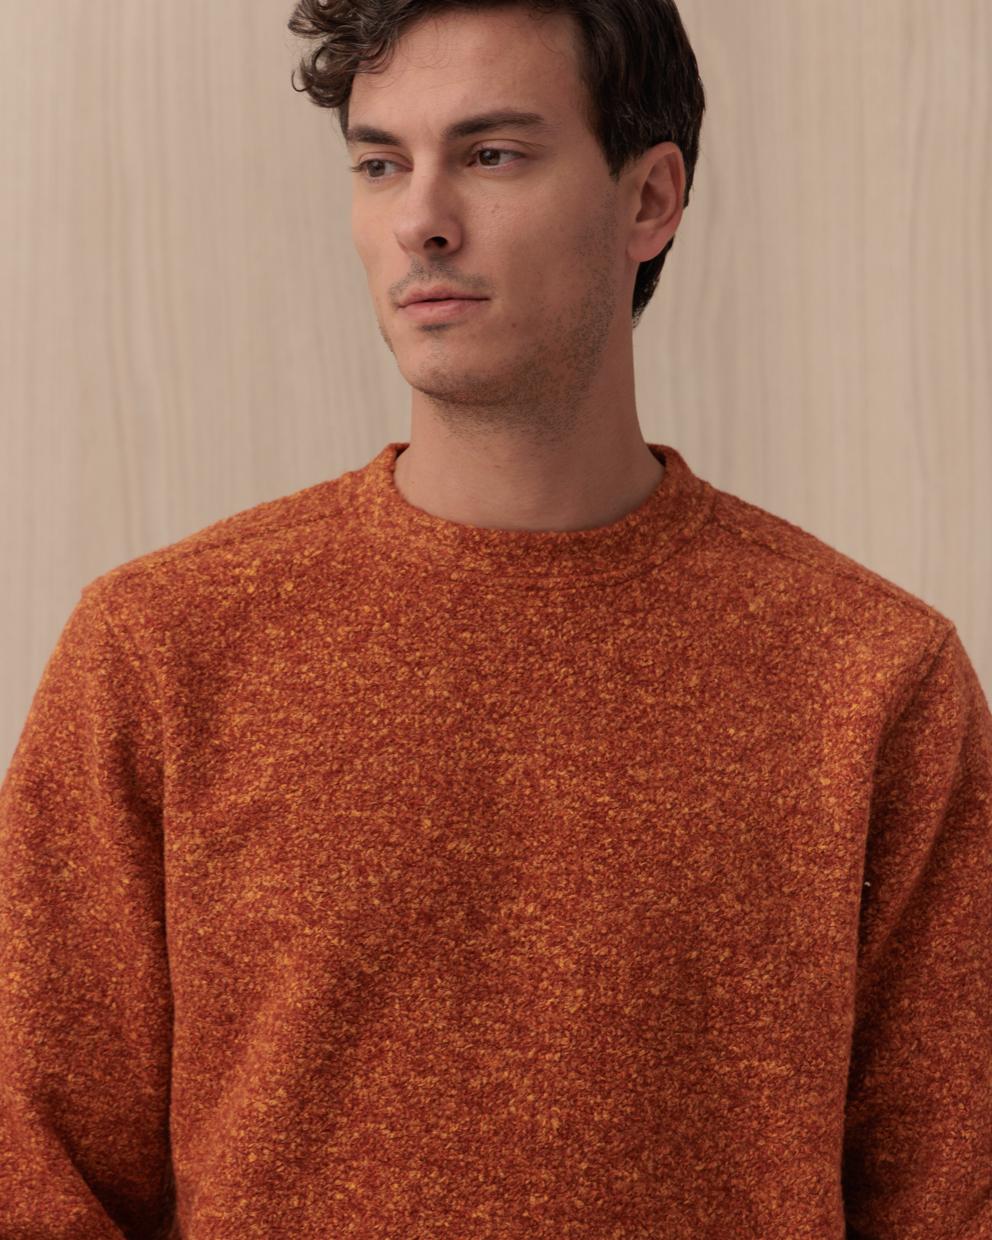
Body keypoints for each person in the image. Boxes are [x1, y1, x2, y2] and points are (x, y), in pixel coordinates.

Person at [2, 2, 989, 1236]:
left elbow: (951, 1194)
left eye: (490, 153)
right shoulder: (160, 648)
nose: (419, 218)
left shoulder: (870, 676)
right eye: (379, 163)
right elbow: (33, 1173)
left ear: (648, 200)